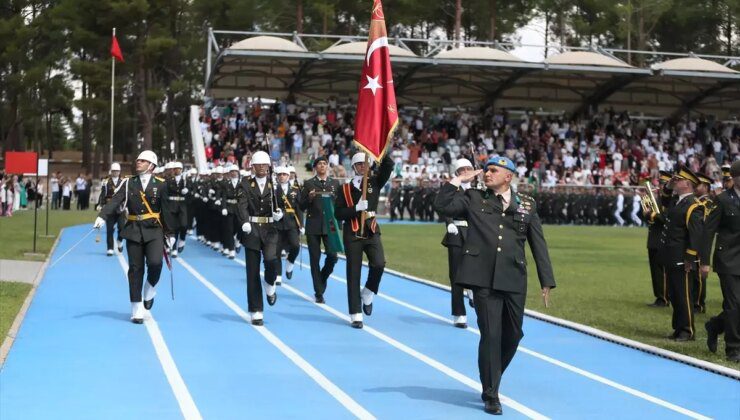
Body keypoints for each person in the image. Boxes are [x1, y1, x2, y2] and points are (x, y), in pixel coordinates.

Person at [434, 156, 556, 416]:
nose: (486, 174)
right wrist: (458, 180)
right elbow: (442, 206)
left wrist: (546, 280)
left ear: (508, 176)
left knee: (513, 335)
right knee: (491, 335)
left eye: (493, 170)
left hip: (513, 277)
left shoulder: (527, 204)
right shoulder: (474, 198)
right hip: (482, 277)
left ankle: (492, 372)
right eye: (486, 170)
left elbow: (538, 242)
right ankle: (491, 392)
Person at [94, 150, 170, 324]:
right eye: (138, 160)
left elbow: (166, 211)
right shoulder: (128, 183)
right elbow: (114, 201)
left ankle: (150, 288)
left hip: (154, 230)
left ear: (151, 165)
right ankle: (136, 308)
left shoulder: (162, 184)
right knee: (135, 269)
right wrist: (102, 216)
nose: (138, 163)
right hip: (134, 229)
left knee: (155, 263)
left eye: (143, 161)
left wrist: (170, 233)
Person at [334, 152, 394, 329]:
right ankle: (355, 313)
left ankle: (368, 291)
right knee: (353, 273)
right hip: (352, 233)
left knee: (379, 264)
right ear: (353, 167)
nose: (362, 166)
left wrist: (379, 149)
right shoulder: (344, 189)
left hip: (371, 230)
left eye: (365, 164)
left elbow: (388, 165)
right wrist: (355, 208)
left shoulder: (375, 182)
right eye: (359, 164)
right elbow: (338, 213)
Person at [655, 166, 706, 341]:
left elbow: (695, 235)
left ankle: (687, 330)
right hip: (671, 255)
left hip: (682, 258)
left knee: (684, 295)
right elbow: (664, 200)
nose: (675, 182)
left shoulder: (694, 205)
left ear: (687, 184)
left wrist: (690, 258)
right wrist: (668, 186)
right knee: (675, 295)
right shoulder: (678, 201)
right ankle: (678, 328)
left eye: (678, 180)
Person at [236, 150, 280, 326]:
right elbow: (242, 205)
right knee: (252, 272)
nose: (261, 167)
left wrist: (280, 213)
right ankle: (256, 310)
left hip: (270, 229)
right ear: (252, 167)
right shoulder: (245, 183)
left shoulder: (275, 184)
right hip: (252, 229)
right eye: (258, 165)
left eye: (264, 164)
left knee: (271, 261)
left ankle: (270, 285)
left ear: (268, 166)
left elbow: (283, 204)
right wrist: (244, 221)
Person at [703, 160, 740, 363]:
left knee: (737, 305)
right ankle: (733, 348)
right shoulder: (723, 200)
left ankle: (715, 326)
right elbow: (708, 231)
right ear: (734, 178)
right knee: (734, 304)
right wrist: (704, 261)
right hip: (728, 259)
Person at [439, 158, 477, 328]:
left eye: (469, 168)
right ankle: (459, 313)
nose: (466, 171)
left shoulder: (478, 190)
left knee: (477, 269)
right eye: (463, 169)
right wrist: (450, 223)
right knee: (456, 275)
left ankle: (471, 289)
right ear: (457, 173)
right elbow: (444, 205)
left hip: (475, 235)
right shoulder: (452, 189)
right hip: (456, 232)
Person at [300, 156, 341, 303]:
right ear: (315, 167)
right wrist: (309, 198)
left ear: (328, 166)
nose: (322, 166)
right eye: (319, 164)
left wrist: (339, 225)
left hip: (330, 226)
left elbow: (339, 206)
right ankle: (318, 292)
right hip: (313, 225)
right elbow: (301, 206)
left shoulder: (335, 183)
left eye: (325, 163)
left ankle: (322, 278)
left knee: (333, 256)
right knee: (314, 259)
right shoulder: (309, 183)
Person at [644, 171, 672, 307]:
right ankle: (659, 296)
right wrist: (647, 212)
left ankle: (664, 298)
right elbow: (650, 218)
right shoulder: (657, 199)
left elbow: (666, 218)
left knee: (662, 272)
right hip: (653, 238)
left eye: (663, 183)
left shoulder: (671, 200)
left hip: (662, 239)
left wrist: (653, 214)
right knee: (655, 272)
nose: (660, 186)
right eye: (660, 183)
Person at [274, 166, 303, 285]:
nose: (282, 176)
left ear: (288, 176)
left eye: (284, 174)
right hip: (278, 224)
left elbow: (299, 208)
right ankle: (278, 275)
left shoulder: (295, 190)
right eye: (279, 174)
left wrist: (301, 224)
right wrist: (274, 214)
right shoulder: (274, 190)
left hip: (291, 222)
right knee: (277, 250)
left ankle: (290, 262)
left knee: (295, 246)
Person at [694, 172, 715, 313]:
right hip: (693, 241)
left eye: (699, 184)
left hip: (701, 242)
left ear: (706, 187)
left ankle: (699, 304)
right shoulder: (696, 202)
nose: (695, 186)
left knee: (699, 277)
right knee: (694, 276)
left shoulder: (708, 203)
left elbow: (705, 225)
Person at [96, 163, 126, 255]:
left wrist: (127, 206)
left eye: (117, 171)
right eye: (114, 171)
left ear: (119, 172)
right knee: (109, 229)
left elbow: (126, 195)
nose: (115, 173)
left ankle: (120, 241)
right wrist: (100, 204)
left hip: (120, 208)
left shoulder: (123, 181)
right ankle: (110, 248)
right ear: (111, 172)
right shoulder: (106, 182)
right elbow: (102, 194)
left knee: (122, 227)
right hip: (109, 208)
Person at [163, 162, 188, 257]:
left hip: (182, 205)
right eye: (176, 168)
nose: (177, 170)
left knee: (184, 225)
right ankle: (173, 248)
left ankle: (182, 239)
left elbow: (192, 192)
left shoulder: (186, 180)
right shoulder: (169, 180)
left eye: (179, 168)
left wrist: (187, 191)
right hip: (172, 205)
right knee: (173, 228)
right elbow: (167, 193)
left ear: (181, 170)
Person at [218, 164, 243, 259]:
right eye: (232, 171)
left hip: (239, 209)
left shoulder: (242, 184)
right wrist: (223, 207)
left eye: (235, 171)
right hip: (229, 208)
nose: (233, 173)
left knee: (240, 227)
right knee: (229, 229)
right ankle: (231, 250)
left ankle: (238, 239)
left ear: (238, 173)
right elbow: (224, 196)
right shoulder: (226, 184)